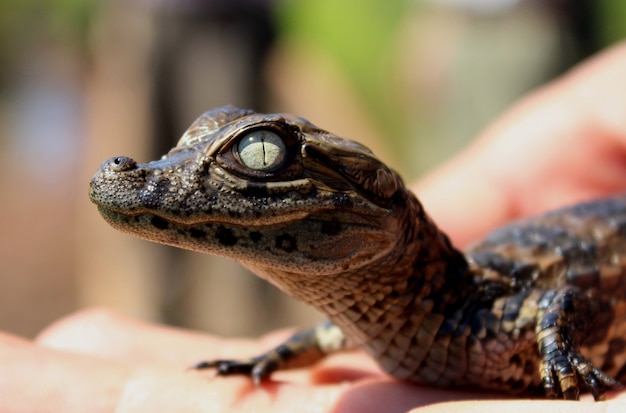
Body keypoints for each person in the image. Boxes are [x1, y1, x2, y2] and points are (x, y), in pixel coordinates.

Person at [4, 41, 626, 412]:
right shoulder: (374, 312)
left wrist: (560, 360)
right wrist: (270, 359)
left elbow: (560, 301)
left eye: (261, 157)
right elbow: (331, 335)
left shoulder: (479, 322)